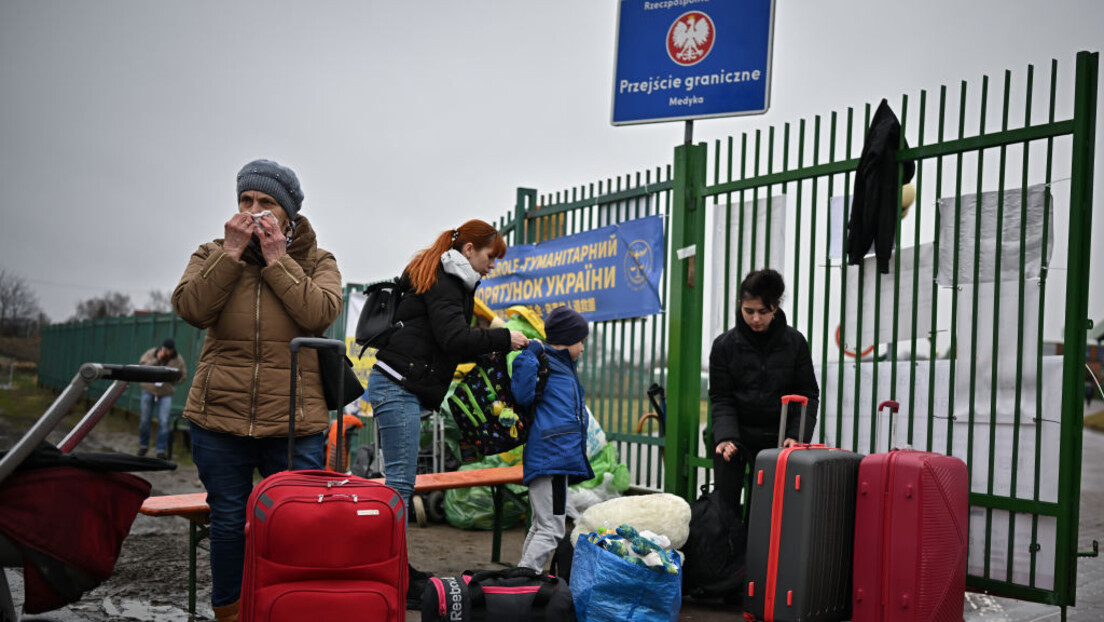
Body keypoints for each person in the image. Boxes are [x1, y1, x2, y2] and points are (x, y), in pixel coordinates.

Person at [172, 159, 342, 622]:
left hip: (293, 421)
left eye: (266, 203)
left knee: (295, 522)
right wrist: (229, 257)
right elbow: (191, 308)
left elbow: (319, 314)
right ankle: (230, 614)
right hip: (218, 415)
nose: (254, 211)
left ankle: (288, 609)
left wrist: (277, 261)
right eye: (246, 201)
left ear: (288, 215)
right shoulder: (212, 253)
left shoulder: (317, 261)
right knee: (228, 521)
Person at [367, 219, 529, 607]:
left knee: (399, 487)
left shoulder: (446, 277)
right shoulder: (446, 280)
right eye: (491, 256)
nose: (493, 265)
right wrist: (505, 338)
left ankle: (396, 570)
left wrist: (492, 344)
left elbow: (449, 345)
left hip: (400, 385)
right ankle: (390, 575)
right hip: (397, 386)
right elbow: (453, 338)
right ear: (470, 250)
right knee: (400, 489)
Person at [707, 268, 819, 515]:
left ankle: (766, 551)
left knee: (771, 507)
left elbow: (808, 394)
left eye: (763, 312)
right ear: (740, 305)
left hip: (778, 438)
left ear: (775, 308)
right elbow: (721, 397)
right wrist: (725, 436)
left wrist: (796, 436)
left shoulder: (795, 342)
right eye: (749, 311)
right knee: (724, 503)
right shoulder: (724, 346)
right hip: (736, 433)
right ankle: (728, 548)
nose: (755, 319)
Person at [513, 306, 594, 572]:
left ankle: (522, 577)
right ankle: (523, 581)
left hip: (552, 457)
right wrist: (531, 354)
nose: (582, 348)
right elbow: (522, 394)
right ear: (569, 339)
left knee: (541, 526)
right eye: (581, 341)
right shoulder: (544, 361)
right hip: (553, 458)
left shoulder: (563, 366)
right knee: (552, 530)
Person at [136, 338, 186, 459]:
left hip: (166, 393)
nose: (167, 352)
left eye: (169, 350)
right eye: (165, 349)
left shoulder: (178, 359)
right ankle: (143, 445)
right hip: (149, 390)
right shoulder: (151, 353)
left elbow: (183, 376)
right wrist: (157, 359)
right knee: (144, 420)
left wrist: (173, 378)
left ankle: (160, 449)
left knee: (164, 422)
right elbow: (142, 367)